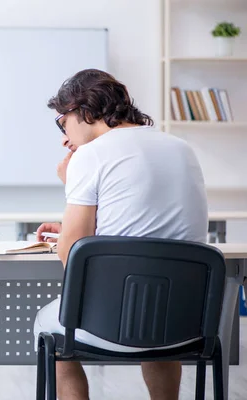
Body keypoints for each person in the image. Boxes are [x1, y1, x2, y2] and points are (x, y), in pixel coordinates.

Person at [33, 69, 208, 400]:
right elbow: (147, 223)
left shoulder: (90, 155)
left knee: (51, 333)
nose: (63, 136)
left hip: (110, 321)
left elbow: (71, 256)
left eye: (62, 122)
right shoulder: (182, 147)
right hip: (184, 321)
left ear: (83, 110)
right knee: (157, 326)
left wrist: (71, 183)